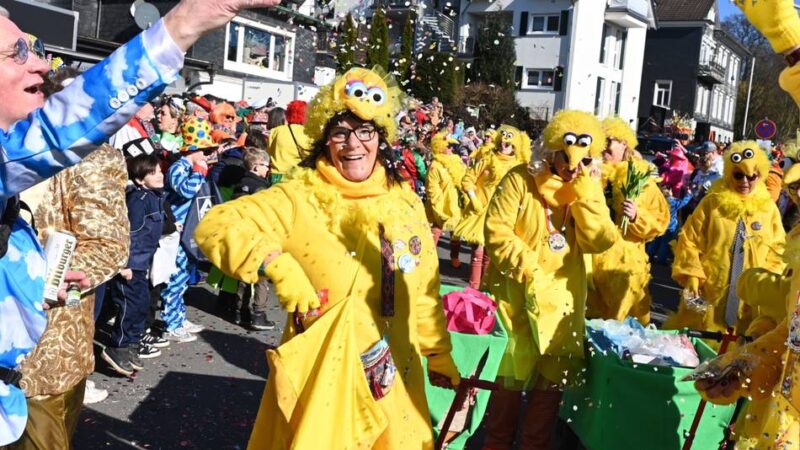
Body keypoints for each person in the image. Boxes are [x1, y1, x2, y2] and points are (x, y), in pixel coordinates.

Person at [0, 0, 282, 445]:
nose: (40, 65)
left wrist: (43, 279)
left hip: (48, 359)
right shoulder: (22, 153)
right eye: (17, 52)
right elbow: (62, 127)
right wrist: (184, 22)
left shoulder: (80, 159)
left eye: (35, 49)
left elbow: (109, 243)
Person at [195, 67, 460, 449]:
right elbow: (216, 225)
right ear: (324, 139)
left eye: (365, 131)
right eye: (340, 132)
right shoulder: (300, 196)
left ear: (381, 137)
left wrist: (438, 353)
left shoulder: (405, 202)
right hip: (325, 382)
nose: (353, 144)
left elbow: (423, 289)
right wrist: (275, 263)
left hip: (395, 381)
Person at [691, 2, 800, 447]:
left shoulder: (770, 211)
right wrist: (745, 367)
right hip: (777, 424)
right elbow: (793, 338)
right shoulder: (712, 202)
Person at [482, 110, 618, 450]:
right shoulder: (520, 179)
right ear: (552, 150)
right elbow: (496, 230)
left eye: (584, 160)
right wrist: (529, 268)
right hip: (516, 303)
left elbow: (600, 240)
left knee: (542, 416)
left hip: (561, 310)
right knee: (502, 408)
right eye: (566, 156)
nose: (574, 166)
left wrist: (585, 194)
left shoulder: (588, 190)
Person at [664, 142, 785, 337]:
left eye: (751, 176)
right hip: (710, 294)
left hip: (750, 302)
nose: (744, 181)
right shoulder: (712, 203)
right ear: (729, 173)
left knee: (743, 348)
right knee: (704, 346)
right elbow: (689, 240)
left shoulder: (768, 209)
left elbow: (779, 250)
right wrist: (692, 276)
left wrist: (767, 283)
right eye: (738, 175)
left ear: (760, 175)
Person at [586, 117, 669, 324]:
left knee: (622, 326)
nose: (603, 146)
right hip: (588, 261)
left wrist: (636, 216)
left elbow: (661, 220)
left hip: (624, 266)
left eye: (609, 140)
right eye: (600, 140)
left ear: (624, 144)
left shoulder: (641, 178)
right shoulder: (588, 173)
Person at [102, 154, 168, 376]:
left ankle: (131, 343)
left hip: (142, 263)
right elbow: (128, 232)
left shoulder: (155, 197)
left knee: (141, 304)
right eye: (153, 173)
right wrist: (125, 263)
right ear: (140, 179)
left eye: (160, 171)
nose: (159, 175)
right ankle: (118, 345)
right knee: (129, 305)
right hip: (131, 263)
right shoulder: (138, 200)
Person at [160, 117, 217, 343]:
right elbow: (186, 190)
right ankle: (170, 324)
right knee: (175, 278)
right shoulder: (178, 168)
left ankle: (179, 317)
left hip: (188, 231)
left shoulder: (189, 167)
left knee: (183, 277)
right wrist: (199, 172)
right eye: (205, 151)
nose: (207, 156)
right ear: (194, 150)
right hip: (176, 232)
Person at [454, 125, 531, 289]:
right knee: (478, 252)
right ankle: (473, 289)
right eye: (502, 141)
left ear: (515, 145)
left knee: (491, 255)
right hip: (480, 211)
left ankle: (484, 290)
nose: (504, 144)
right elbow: (468, 179)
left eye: (508, 143)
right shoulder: (488, 158)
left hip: (501, 214)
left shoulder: (517, 165)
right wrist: (474, 200)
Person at [229, 147, 274, 331]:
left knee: (245, 274)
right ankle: (259, 314)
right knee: (261, 276)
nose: (268, 169)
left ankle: (240, 311)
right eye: (266, 166)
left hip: (243, 236)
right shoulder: (260, 187)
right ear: (256, 167)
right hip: (259, 236)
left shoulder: (240, 184)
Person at [426, 131, 465, 268]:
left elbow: (464, 178)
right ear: (440, 146)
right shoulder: (435, 165)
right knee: (436, 229)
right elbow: (432, 188)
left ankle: (454, 257)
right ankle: (428, 258)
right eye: (448, 146)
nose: (451, 148)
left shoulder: (457, 160)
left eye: (452, 146)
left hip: (456, 203)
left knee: (456, 233)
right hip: (441, 204)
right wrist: (438, 207)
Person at [266, 100, 311, 184]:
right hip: (297, 176)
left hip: (276, 176)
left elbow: (268, 152)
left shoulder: (275, 131)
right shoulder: (308, 133)